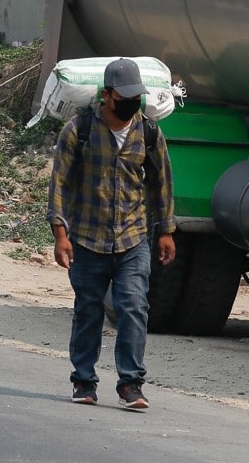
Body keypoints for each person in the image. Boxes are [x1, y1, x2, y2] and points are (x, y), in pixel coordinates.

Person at [48, 58, 176, 411]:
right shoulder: (79, 130)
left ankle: (131, 384)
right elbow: (59, 183)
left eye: (136, 97)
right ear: (107, 95)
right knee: (88, 309)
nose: (132, 103)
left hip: (133, 239)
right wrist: (60, 234)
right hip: (86, 239)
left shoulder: (149, 133)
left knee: (133, 306)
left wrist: (166, 230)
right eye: (125, 97)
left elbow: (162, 183)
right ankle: (84, 381)